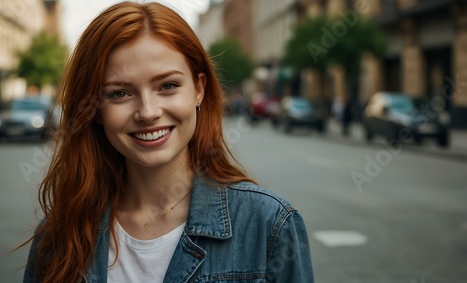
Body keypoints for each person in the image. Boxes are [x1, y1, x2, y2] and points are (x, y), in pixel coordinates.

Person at [22, 2, 314, 282]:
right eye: (120, 93)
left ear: (198, 90)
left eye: (168, 86)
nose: (148, 112)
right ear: (94, 109)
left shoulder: (268, 224)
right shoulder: (57, 235)